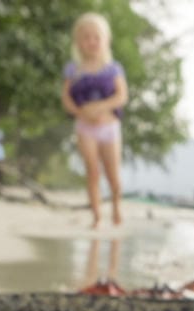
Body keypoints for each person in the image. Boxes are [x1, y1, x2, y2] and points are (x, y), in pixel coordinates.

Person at [61, 12, 128, 228]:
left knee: (113, 174)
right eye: (86, 37)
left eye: (96, 37)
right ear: (78, 41)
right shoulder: (73, 69)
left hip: (110, 127)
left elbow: (121, 96)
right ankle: (97, 215)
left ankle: (116, 208)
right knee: (92, 172)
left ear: (106, 40)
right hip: (85, 127)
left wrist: (100, 107)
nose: (91, 42)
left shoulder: (113, 68)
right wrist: (81, 112)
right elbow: (66, 99)